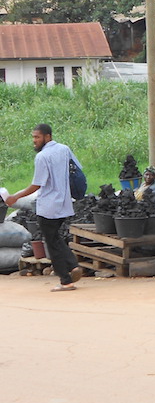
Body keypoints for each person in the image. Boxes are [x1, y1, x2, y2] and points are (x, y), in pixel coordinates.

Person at [6, 124, 83, 291]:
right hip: (64, 203)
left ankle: (65, 280)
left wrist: (15, 197)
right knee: (55, 238)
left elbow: (36, 185)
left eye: (37, 137)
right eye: (33, 137)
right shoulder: (64, 149)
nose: (34, 141)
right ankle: (73, 266)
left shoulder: (42, 157)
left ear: (48, 137)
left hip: (48, 206)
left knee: (51, 242)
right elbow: (78, 170)